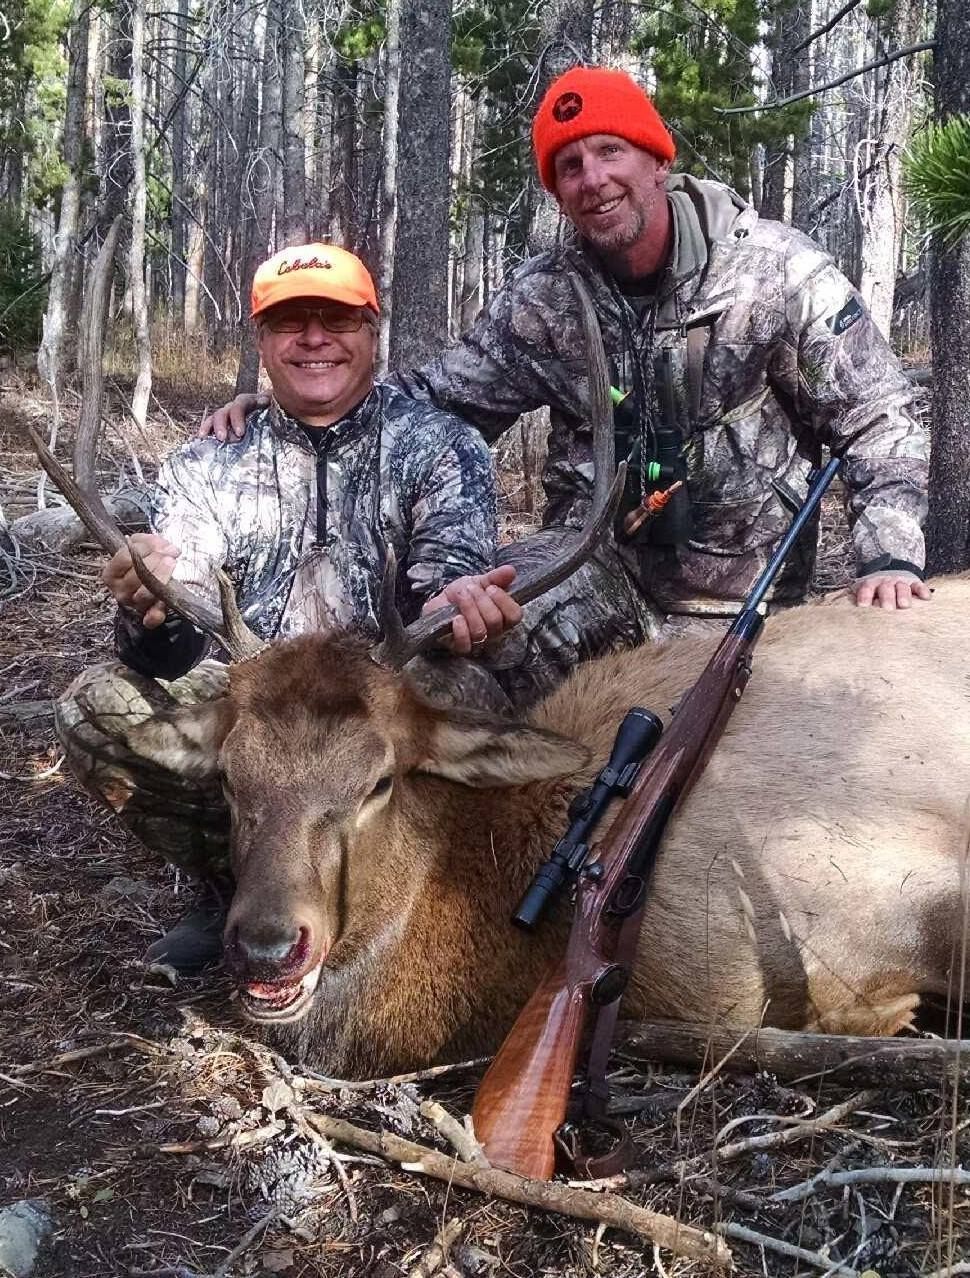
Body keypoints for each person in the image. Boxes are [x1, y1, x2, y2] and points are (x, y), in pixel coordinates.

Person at [205, 65, 931, 673]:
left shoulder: (777, 272)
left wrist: (890, 559)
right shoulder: (548, 297)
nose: (592, 179)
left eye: (610, 152)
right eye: (569, 166)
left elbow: (879, 418)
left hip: (746, 601)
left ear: (658, 160)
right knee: (459, 648)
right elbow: (435, 402)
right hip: (590, 573)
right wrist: (286, 408)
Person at [55, 243, 522, 972]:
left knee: (467, 694)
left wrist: (460, 609)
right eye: (288, 322)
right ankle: (238, 887)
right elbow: (174, 637)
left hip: (376, 699)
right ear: (262, 343)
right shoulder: (209, 463)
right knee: (94, 709)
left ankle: (387, 896)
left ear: (372, 331)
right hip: (260, 705)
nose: (313, 337)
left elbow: (449, 584)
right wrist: (155, 602)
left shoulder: (440, 447)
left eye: (335, 317)